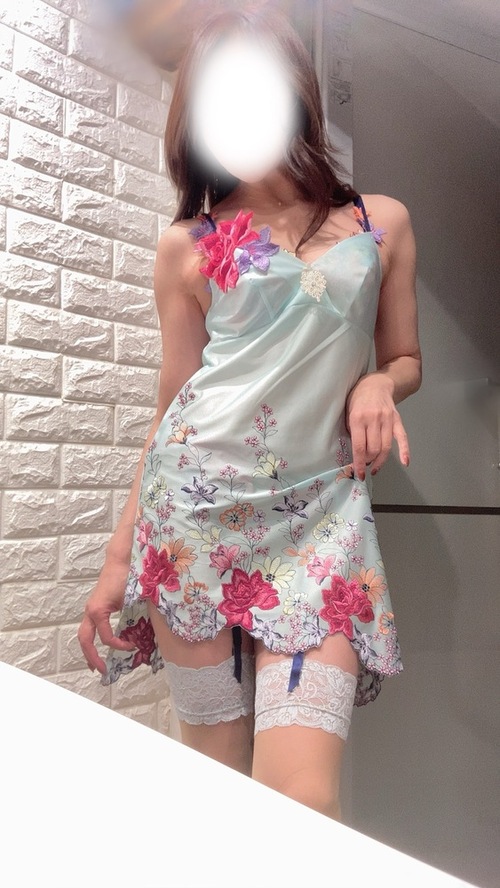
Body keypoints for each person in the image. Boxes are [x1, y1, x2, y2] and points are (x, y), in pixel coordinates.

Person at [77, 7, 421, 823]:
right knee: (218, 791)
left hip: (323, 526)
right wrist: (118, 560)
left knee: (301, 800)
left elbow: (406, 357)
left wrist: (380, 385)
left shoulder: (381, 223)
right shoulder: (187, 245)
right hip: (191, 523)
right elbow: (171, 407)